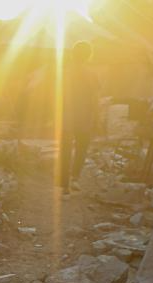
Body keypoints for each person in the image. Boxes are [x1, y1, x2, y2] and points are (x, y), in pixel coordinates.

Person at [59, 40, 100, 197]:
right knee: (82, 147)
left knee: (65, 149)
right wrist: (97, 117)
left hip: (66, 115)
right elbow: (95, 98)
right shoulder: (92, 75)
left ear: (72, 54)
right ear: (89, 56)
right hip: (84, 116)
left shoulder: (64, 72)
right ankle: (75, 178)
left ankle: (64, 186)